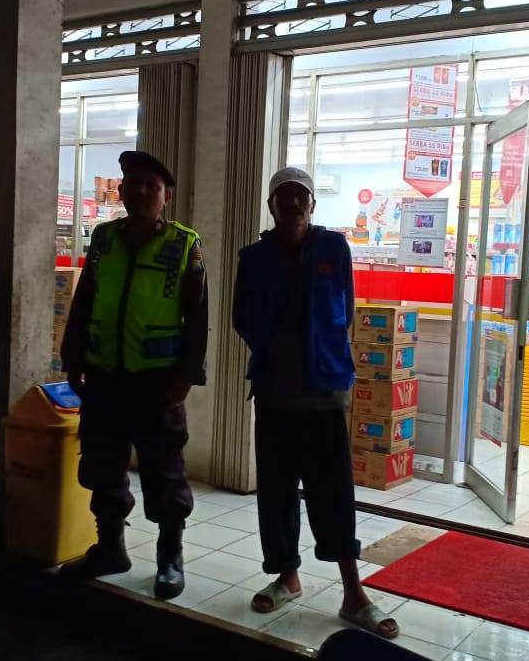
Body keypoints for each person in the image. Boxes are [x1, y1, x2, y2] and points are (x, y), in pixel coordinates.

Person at [232, 167, 399, 640]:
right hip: (274, 392)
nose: (292, 204)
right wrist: (278, 351)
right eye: (283, 197)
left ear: (312, 204)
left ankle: (353, 593)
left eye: (300, 196)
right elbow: (242, 318)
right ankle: (286, 576)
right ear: (271, 206)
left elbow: (345, 311)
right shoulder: (254, 258)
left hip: (324, 392)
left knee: (333, 493)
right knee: (277, 491)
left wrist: (321, 354)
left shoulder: (334, 248)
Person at [59, 151, 208, 601]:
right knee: (102, 466)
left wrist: (186, 375)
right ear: (121, 192)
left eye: (152, 186)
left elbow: (198, 317)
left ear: (166, 196)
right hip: (104, 375)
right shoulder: (104, 239)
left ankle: (170, 559)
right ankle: (110, 549)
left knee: (164, 472)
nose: (142, 192)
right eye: (134, 185)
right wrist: (72, 357)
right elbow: (85, 299)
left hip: (157, 382)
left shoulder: (184, 244)